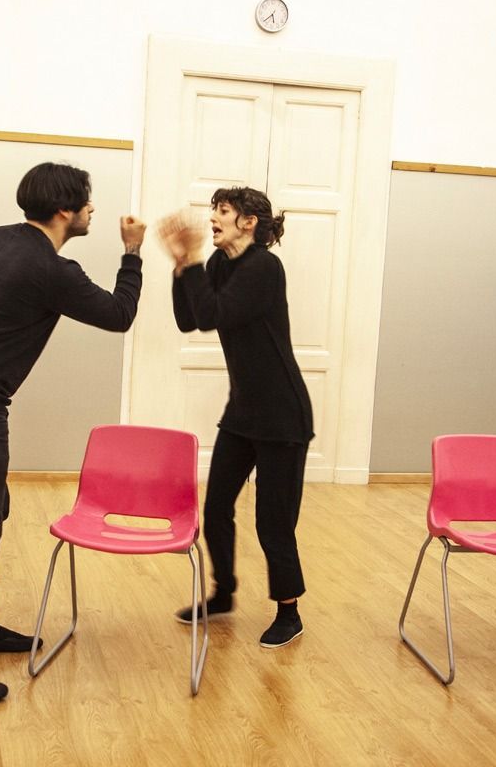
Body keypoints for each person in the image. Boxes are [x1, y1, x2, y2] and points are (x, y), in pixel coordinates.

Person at [0, 162, 145, 703]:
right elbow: (119, 314)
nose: (92, 209)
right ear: (64, 210)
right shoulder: (53, 270)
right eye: (86, 201)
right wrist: (132, 252)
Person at [158, 187, 313, 649]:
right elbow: (190, 318)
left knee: (273, 520)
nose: (213, 218)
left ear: (249, 222)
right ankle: (223, 592)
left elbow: (213, 314)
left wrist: (191, 261)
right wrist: (183, 266)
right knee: (216, 507)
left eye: (222, 211)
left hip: (283, 415)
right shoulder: (221, 264)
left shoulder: (264, 268)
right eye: (214, 210)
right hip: (244, 411)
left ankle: (289, 611)